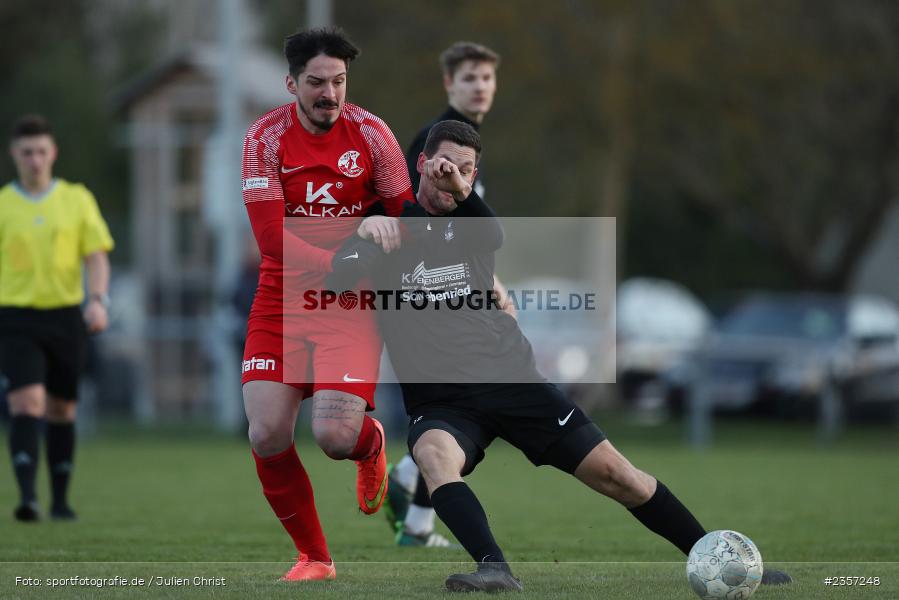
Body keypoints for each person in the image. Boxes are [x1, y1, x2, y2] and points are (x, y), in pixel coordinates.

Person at [333, 120, 793, 592]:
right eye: (445, 165)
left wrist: (459, 189)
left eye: (467, 171)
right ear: (421, 164)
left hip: (512, 383)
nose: (454, 176)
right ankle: (494, 569)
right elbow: (338, 278)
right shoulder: (390, 228)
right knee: (433, 458)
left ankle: (722, 560)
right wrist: (366, 231)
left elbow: (492, 235)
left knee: (620, 476)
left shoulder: (470, 225)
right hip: (442, 401)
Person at [240, 27, 414, 582]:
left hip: (350, 303)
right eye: (316, 82)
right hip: (281, 298)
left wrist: (386, 228)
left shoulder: (373, 135)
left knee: (335, 437)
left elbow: (407, 216)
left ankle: (369, 444)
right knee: (266, 433)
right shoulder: (264, 139)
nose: (330, 94)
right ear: (291, 83)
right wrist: (333, 258)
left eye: (338, 81)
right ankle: (315, 558)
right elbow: (270, 239)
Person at [385, 41, 502, 547]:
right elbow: (422, 219)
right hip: (425, 294)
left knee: (461, 401)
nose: (481, 86)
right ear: (449, 84)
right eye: (470, 77)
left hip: (451, 288)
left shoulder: (468, 142)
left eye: (487, 78)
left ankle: (414, 511)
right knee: (461, 401)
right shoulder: (434, 143)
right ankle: (409, 474)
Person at [0, 114, 114, 522]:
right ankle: (28, 499)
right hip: (15, 317)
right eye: (26, 152)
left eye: (41, 151)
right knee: (26, 402)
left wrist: (97, 299)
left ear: (53, 154)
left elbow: (96, 255)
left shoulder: (76, 199)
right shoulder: (3, 205)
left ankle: (61, 501)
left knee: (62, 409)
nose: (34, 159)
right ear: (15, 154)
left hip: (66, 317)